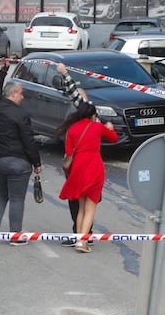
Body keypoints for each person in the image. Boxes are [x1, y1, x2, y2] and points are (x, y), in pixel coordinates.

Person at [0, 57, 42, 246]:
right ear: (13, 94)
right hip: (17, 162)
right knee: (17, 198)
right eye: (21, 93)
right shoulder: (21, 115)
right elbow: (28, 141)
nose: (23, 96)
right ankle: (15, 236)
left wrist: (3, 71)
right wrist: (37, 163)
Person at [57, 100, 118, 253]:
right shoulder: (97, 127)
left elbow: (69, 152)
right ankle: (82, 242)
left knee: (81, 208)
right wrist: (109, 128)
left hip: (77, 168)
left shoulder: (72, 129)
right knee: (90, 209)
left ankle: (79, 239)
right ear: (93, 115)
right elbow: (114, 138)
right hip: (94, 167)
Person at [55, 63, 96, 247]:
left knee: (84, 203)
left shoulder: (90, 116)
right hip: (77, 166)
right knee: (79, 203)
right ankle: (80, 234)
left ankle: (83, 235)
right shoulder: (75, 117)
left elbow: (75, 95)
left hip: (84, 167)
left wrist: (65, 73)